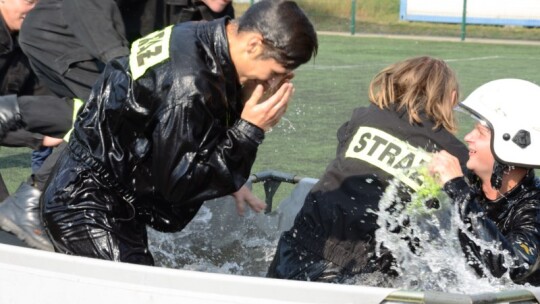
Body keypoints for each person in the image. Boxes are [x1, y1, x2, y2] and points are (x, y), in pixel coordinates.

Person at [40, 0, 318, 265]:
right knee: (134, 292)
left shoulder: (198, 35)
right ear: (254, 44)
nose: (271, 81)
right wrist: (248, 131)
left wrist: (232, 167)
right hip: (87, 203)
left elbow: (177, 130)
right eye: (275, 71)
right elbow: (178, 186)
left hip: (97, 185)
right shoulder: (191, 83)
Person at [0, 0, 236, 251]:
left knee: (96, 119)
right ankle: (31, 201)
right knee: (120, 114)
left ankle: (41, 206)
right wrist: (125, 71)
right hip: (64, 35)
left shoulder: (220, 17)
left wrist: (228, 163)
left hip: (96, 53)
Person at [266, 56, 468, 282]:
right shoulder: (453, 153)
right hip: (364, 266)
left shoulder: (364, 117)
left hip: (302, 239)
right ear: (451, 99)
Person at [428, 78, 540, 286]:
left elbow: (508, 269)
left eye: (480, 133)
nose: (468, 137)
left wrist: (457, 190)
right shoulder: (468, 182)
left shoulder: (534, 207)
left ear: (513, 144)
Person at [0, 0, 75, 251]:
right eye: (28, 1)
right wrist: (37, 140)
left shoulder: (27, 44)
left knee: (11, 223)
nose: (33, 9)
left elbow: (43, 98)